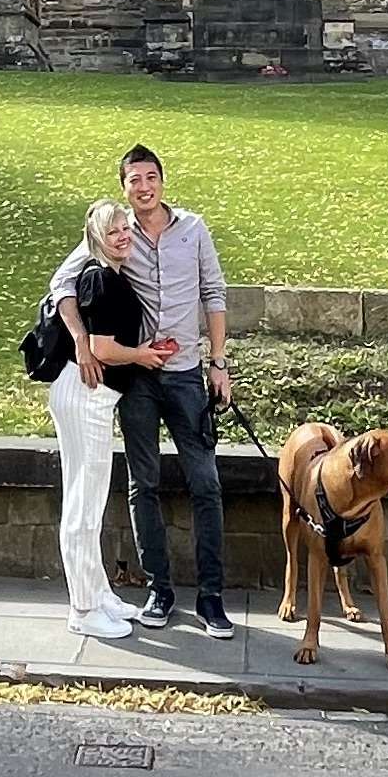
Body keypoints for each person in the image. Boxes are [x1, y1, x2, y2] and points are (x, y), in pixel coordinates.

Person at [111, 143, 235, 633]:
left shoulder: (193, 228)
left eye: (151, 177)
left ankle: (211, 597)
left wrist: (219, 363)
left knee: (206, 483)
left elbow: (214, 293)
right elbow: (69, 282)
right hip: (137, 378)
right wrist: (81, 340)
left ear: (163, 180)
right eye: (134, 180)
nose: (144, 188)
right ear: (123, 187)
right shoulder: (116, 231)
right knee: (143, 484)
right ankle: (158, 590)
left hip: (186, 375)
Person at [42, 199, 172, 637]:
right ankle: (82, 609)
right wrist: (142, 355)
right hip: (86, 395)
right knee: (83, 504)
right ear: (96, 238)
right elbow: (101, 348)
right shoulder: (99, 277)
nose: (122, 237)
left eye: (125, 229)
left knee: (91, 500)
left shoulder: (112, 275)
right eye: (112, 231)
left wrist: (142, 351)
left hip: (93, 397)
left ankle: (98, 594)